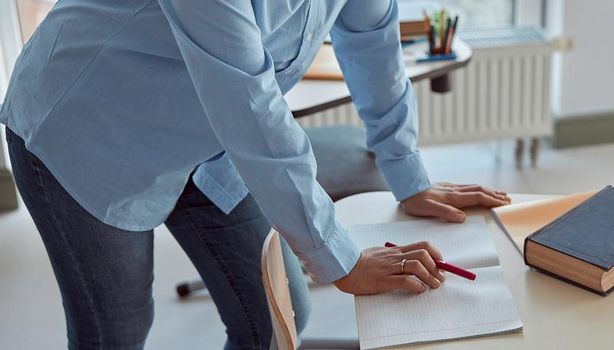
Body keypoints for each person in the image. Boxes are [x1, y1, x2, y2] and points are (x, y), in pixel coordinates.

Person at [0, 0, 511, 348]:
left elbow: (373, 38)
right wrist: (341, 257)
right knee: (116, 331)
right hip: (88, 129)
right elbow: (248, 102)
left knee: (276, 313)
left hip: (212, 141)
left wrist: (407, 170)